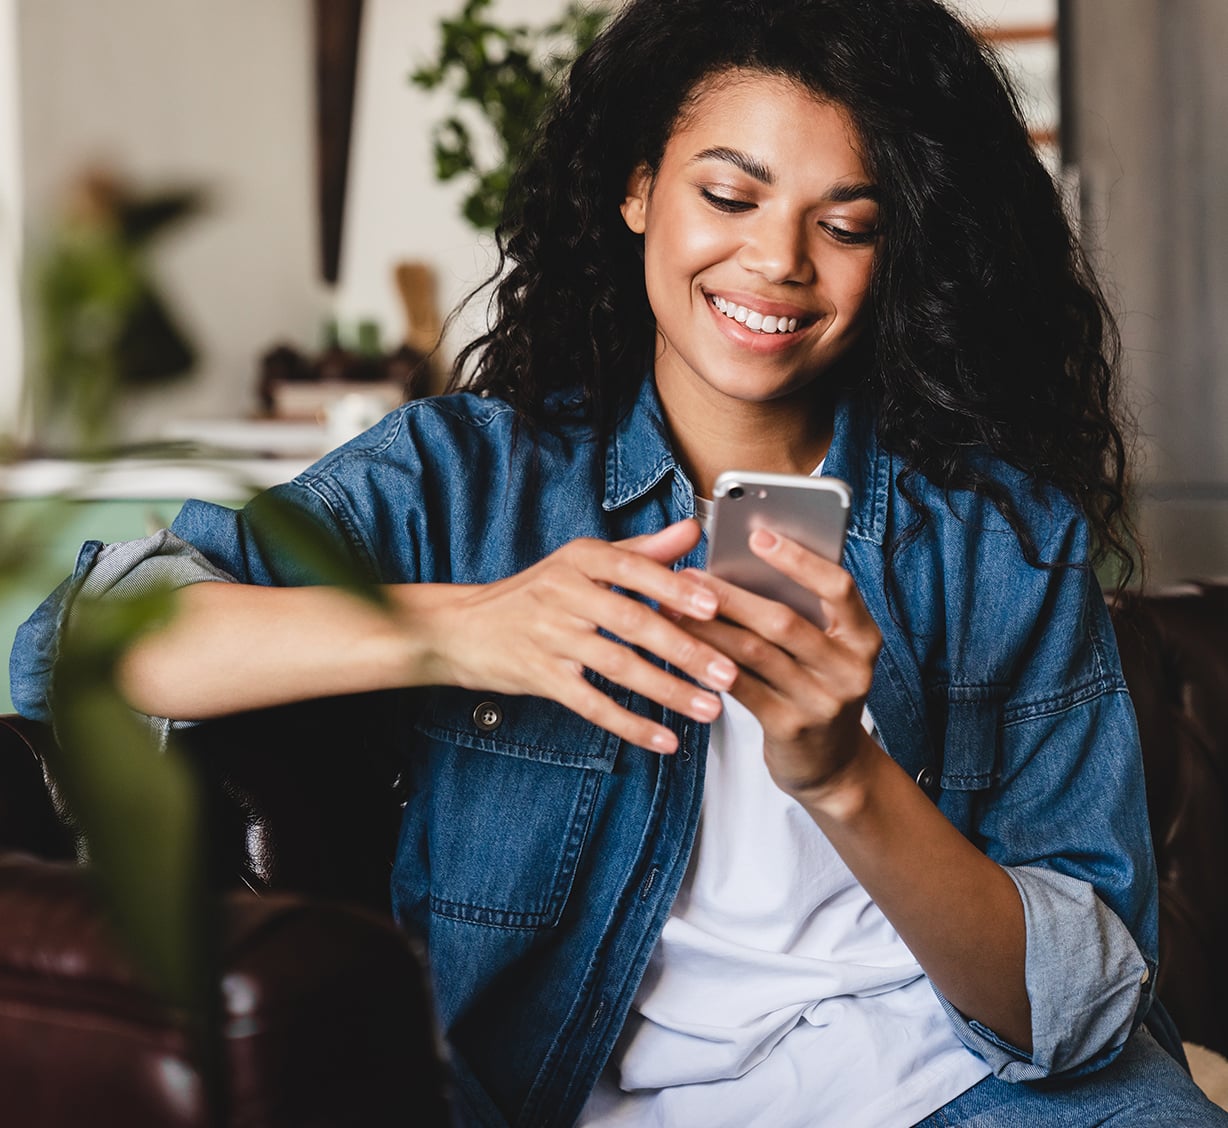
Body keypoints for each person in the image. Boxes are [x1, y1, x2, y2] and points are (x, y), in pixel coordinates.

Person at [10, 1, 1228, 1124]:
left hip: (953, 1090)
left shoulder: (995, 536)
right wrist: (457, 626)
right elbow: (83, 640)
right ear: (639, 189)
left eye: (845, 223)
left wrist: (848, 777)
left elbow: (1073, 1007)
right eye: (730, 195)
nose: (778, 263)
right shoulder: (463, 481)